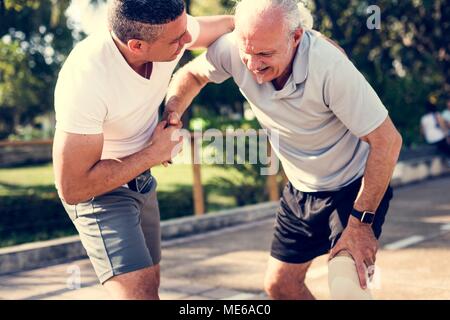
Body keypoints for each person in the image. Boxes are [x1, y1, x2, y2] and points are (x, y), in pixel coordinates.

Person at [163, 0, 402, 300]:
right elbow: (193, 74)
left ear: (296, 37)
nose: (253, 65)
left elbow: (388, 141)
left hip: (351, 187)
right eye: (246, 53)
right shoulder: (234, 48)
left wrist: (361, 223)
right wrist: (172, 115)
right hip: (301, 190)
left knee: (346, 286)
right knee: (281, 287)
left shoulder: (328, 66)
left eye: (265, 54)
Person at [52, 0, 234, 300]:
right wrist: (154, 152)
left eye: (185, 29)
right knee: (140, 293)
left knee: (151, 286)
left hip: (142, 181)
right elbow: (73, 186)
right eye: (177, 40)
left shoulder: (169, 29)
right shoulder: (86, 77)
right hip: (99, 192)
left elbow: (232, 24)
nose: (188, 41)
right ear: (137, 45)